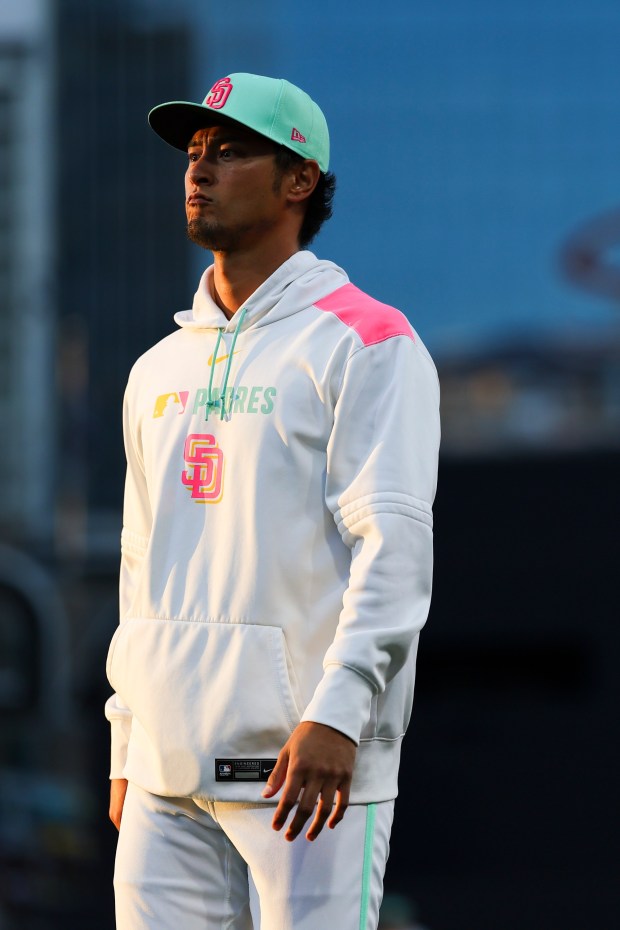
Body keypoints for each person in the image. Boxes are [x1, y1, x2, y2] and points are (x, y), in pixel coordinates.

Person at [105, 72, 440, 930]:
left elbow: (393, 544)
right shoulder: (157, 369)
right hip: (164, 776)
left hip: (307, 769)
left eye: (231, 151)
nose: (199, 171)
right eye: (193, 153)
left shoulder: (368, 341)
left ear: (300, 181)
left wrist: (338, 714)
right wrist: (126, 737)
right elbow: (141, 562)